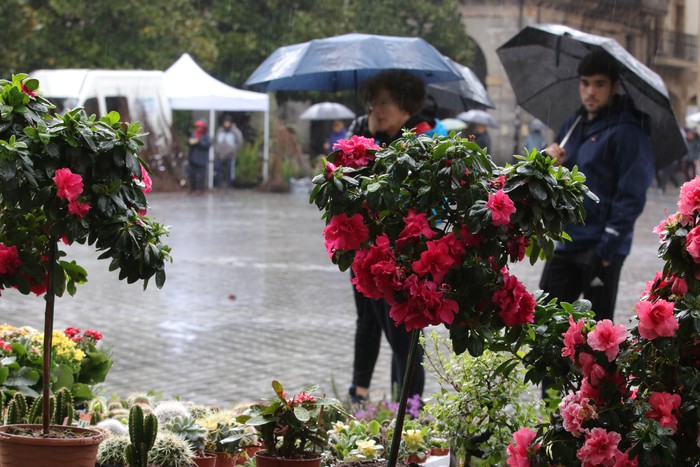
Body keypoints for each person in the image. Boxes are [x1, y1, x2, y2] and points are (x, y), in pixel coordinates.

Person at [345, 70, 447, 404]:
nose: (376, 109)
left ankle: (407, 412)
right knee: (368, 323)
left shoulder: (429, 139)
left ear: (406, 105)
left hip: (407, 257)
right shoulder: (365, 133)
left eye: (384, 102)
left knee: (403, 336)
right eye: (372, 102)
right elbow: (344, 190)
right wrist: (364, 141)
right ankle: (361, 396)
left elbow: (423, 202)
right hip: (366, 253)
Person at [540, 47, 654, 323]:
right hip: (565, 242)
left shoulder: (628, 131)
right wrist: (545, 166)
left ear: (614, 87)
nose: (590, 92)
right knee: (546, 325)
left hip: (601, 247)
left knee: (595, 338)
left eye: (599, 84)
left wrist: (607, 247)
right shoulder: (571, 125)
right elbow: (555, 189)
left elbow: (632, 193)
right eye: (585, 83)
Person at [214, 115, 243, 189]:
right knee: (217, 170)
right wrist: (216, 150)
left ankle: (229, 186)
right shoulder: (220, 130)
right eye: (225, 122)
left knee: (229, 172)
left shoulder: (236, 132)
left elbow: (239, 142)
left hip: (230, 155)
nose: (226, 124)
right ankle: (218, 185)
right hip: (219, 155)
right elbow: (216, 141)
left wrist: (234, 150)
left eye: (228, 122)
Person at [187, 119, 211, 194]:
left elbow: (207, 145)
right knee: (192, 175)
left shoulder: (206, 136)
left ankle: (201, 189)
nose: (198, 129)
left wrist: (198, 142)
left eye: (199, 127)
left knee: (201, 176)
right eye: (197, 127)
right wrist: (190, 141)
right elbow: (188, 142)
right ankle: (192, 188)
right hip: (193, 158)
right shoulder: (193, 135)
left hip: (202, 159)